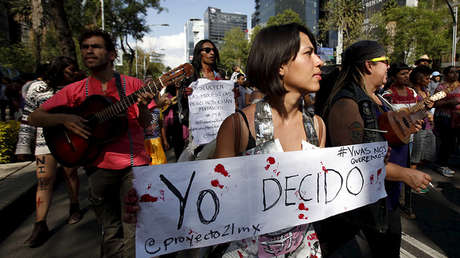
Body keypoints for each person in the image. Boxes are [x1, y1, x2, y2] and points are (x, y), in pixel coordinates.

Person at [28, 29, 154, 257]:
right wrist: (65, 119)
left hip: (134, 167)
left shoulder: (133, 85)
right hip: (97, 168)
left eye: (95, 46)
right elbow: (35, 116)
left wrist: (143, 106)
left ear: (112, 55)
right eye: (85, 47)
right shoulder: (75, 90)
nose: (88, 51)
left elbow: (146, 123)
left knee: (134, 230)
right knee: (110, 231)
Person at [212, 22, 325, 257]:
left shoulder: (317, 127)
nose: (319, 61)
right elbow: (210, 201)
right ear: (281, 65)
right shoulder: (238, 127)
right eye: (308, 53)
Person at [318, 41, 431, 257]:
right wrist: (405, 174)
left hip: (385, 198)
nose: (389, 66)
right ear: (369, 66)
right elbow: (354, 162)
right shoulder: (347, 103)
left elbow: (383, 138)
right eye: (385, 62)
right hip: (365, 207)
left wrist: (407, 128)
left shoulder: (377, 98)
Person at [16, 56, 83, 248]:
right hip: (44, 142)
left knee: (70, 173)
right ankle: (40, 224)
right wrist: (23, 146)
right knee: (44, 180)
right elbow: (28, 117)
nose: (73, 73)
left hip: (70, 140)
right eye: (70, 70)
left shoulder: (75, 88)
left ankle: (74, 205)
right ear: (58, 69)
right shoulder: (36, 89)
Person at [409, 65, 437, 173]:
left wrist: (430, 106)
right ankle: (411, 184)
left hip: (428, 127)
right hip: (418, 128)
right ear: (418, 78)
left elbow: (428, 106)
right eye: (427, 78)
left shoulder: (426, 91)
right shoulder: (412, 92)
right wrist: (424, 107)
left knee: (425, 156)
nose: (429, 80)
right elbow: (411, 109)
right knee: (414, 159)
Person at [433, 66, 459, 177]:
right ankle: (441, 165)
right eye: (452, 72)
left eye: (456, 72)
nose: (455, 74)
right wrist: (450, 102)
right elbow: (435, 103)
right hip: (444, 119)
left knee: (453, 143)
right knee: (445, 142)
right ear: (446, 74)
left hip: (458, 119)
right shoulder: (441, 87)